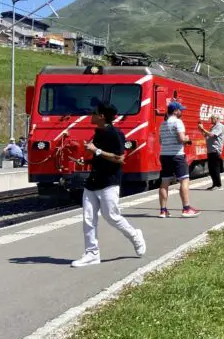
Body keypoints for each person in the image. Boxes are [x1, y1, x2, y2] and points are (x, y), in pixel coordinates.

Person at [71, 103, 146, 267]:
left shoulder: (116, 134)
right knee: (88, 218)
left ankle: (135, 236)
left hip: (109, 182)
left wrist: (96, 151)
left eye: (94, 113)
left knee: (112, 216)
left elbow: (120, 158)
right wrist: (88, 159)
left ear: (102, 116)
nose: (91, 115)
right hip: (93, 181)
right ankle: (92, 253)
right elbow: (101, 157)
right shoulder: (98, 133)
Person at [158, 101, 200, 218]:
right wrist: (187, 139)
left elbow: (161, 142)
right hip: (177, 155)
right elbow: (181, 139)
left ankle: (163, 210)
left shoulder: (163, 124)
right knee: (184, 180)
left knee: (164, 182)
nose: (181, 112)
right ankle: (186, 209)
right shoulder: (178, 122)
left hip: (164, 155)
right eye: (180, 110)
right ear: (175, 111)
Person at [199, 113, 224, 191]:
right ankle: (214, 184)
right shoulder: (213, 127)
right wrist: (201, 129)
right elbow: (206, 136)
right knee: (211, 169)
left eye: (212, 118)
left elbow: (212, 135)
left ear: (217, 119)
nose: (211, 120)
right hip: (211, 150)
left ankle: (219, 185)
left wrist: (203, 129)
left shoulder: (220, 126)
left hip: (215, 150)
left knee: (215, 168)